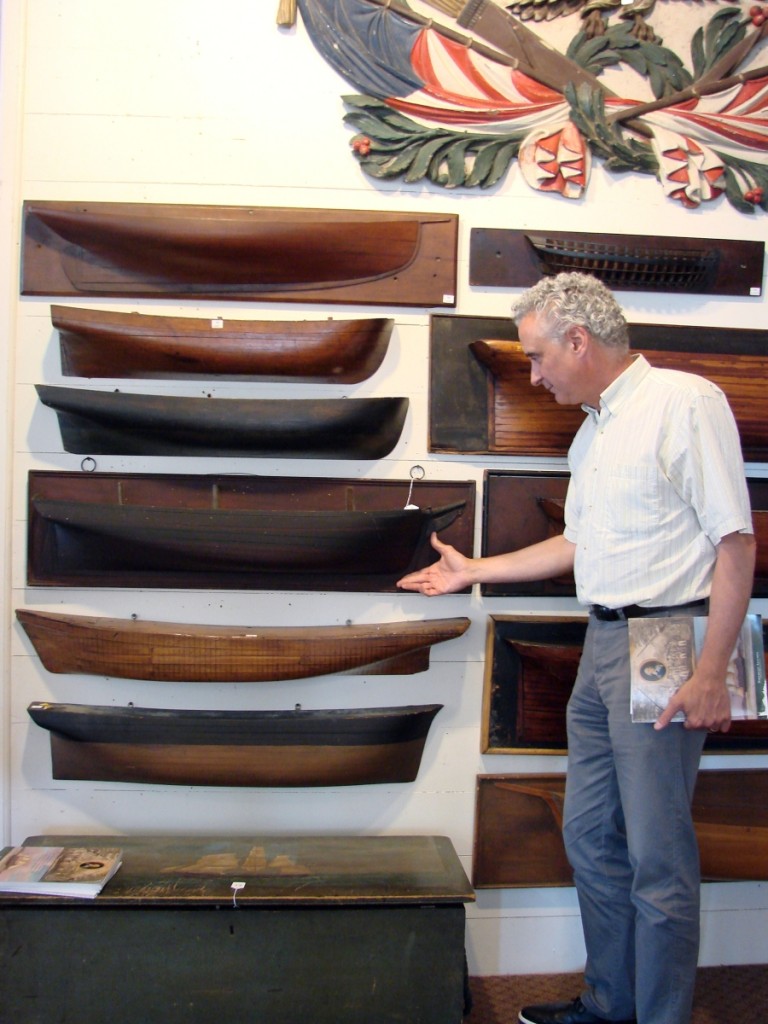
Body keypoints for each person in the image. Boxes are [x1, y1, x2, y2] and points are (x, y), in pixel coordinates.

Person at [397, 272, 756, 1024]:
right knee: (592, 837)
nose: (532, 374)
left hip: (666, 635)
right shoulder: (595, 428)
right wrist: (475, 571)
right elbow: (578, 541)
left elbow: (735, 541)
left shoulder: (684, 403)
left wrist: (714, 672)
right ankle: (610, 1004)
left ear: (578, 340)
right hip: (602, 636)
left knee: (658, 857)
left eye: (536, 357)